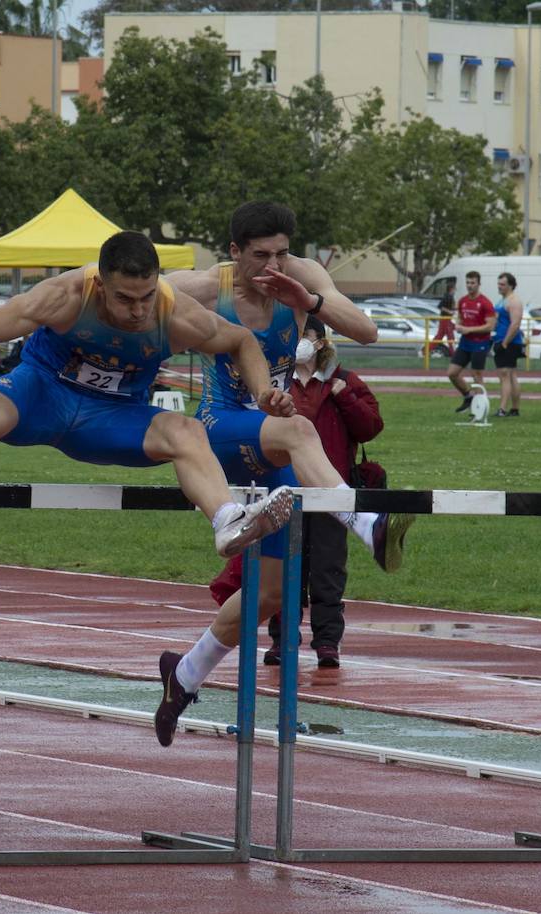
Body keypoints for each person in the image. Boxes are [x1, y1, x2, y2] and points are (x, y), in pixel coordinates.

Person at [0, 230, 298, 562]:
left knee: (186, 430)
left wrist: (263, 393)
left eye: (145, 296)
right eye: (124, 299)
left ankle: (227, 521)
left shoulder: (174, 315)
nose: (138, 311)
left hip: (113, 417)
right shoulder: (66, 297)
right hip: (43, 393)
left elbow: (241, 341)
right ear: (100, 284)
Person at [160, 201, 415, 747]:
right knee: (301, 428)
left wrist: (309, 301)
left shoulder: (302, 275)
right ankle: (366, 523)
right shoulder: (206, 286)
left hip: (271, 434)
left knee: (272, 594)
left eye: (281, 253)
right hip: (222, 426)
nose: (272, 266)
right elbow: (130, 304)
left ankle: (184, 674)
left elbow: (366, 331)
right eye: (260, 256)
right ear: (234, 251)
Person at [209, 314, 383, 668]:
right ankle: (282, 640)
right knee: (285, 569)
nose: (300, 342)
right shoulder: (275, 383)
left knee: (328, 571)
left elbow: (370, 426)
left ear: (321, 342)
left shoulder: (345, 380)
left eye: (307, 335)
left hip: (330, 488)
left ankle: (327, 643)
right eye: (296, 335)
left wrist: (345, 396)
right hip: (284, 489)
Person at [447, 270, 495, 413]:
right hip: (465, 343)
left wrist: (469, 330)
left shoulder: (485, 303)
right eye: (468, 282)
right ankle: (468, 397)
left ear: (479, 284)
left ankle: (480, 408)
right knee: (452, 373)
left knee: (476, 375)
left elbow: (490, 326)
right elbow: (460, 318)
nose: (470, 285)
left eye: (473, 283)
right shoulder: (463, 301)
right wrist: (458, 325)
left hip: (480, 343)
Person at [492, 272, 525, 418]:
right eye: (498, 284)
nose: (499, 286)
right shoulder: (501, 301)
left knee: (505, 374)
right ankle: (515, 409)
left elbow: (515, 324)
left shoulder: (514, 301)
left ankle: (502, 409)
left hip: (509, 343)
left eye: (502, 284)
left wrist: (505, 343)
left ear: (510, 286)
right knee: (510, 375)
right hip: (500, 340)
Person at [431, 278, 456, 356]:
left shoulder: (449, 296)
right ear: (451, 289)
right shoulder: (448, 296)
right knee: (450, 337)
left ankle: (425, 351)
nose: (455, 290)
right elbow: (440, 306)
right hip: (446, 319)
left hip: (446, 319)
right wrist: (449, 312)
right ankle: (454, 354)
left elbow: (448, 307)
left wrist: (455, 309)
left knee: (439, 336)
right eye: (454, 289)